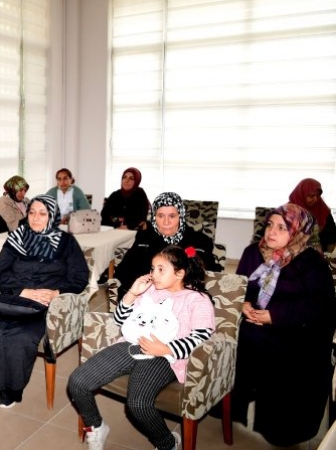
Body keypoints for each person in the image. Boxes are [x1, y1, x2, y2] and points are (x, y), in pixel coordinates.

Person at [67, 245, 215, 450]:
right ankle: (96, 426)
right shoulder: (150, 291)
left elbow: (202, 337)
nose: (153, 274)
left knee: (137, 404)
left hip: (165, 356)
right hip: (131, 344)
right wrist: (132, 293)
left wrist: (165, 349)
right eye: (152, 268)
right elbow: (119, 321)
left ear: (180, 273)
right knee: (77, 382)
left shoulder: (197, 299)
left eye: (161, 269)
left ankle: (168, 442)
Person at [231, 203, 335, 446]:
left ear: (298, 232)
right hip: (252, 323)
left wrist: (274, 316)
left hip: (295, 331)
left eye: (282, 227)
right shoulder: (252, 252)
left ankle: (281, 427)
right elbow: (239, 286)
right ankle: (229, 407)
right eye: (270, 224)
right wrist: (244, 304)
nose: (271, 232)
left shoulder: (312, 263)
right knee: (229, 342)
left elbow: (319, 307)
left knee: (282, 358)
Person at [0, 195, 88, 409]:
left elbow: (79, 277)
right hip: (11, 294)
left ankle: (12, 388)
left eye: (42, 213)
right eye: (32, 212)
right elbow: (1, 271)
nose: (36, 218)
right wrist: (23, 291)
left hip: (42, 302)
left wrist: (57, 292)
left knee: (20, 336)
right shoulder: (16, 237)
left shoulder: (66, 243)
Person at [114, 191, 221, 300]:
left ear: (181, 216)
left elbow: (207, 275)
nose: (166, 222)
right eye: (160, 216)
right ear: (154, 217)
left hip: (183, 299)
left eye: (172, 216)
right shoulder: (144, 238)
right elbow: (123, 271)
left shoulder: (199, 242)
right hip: (144, 297)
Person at [289, 178, 336, 253]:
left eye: (318, 196)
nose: (316, 199)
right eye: (311, 196)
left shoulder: (322, 209)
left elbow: (332, 236)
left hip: (318, 253)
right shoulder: (288, 211)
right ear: (301, 195)